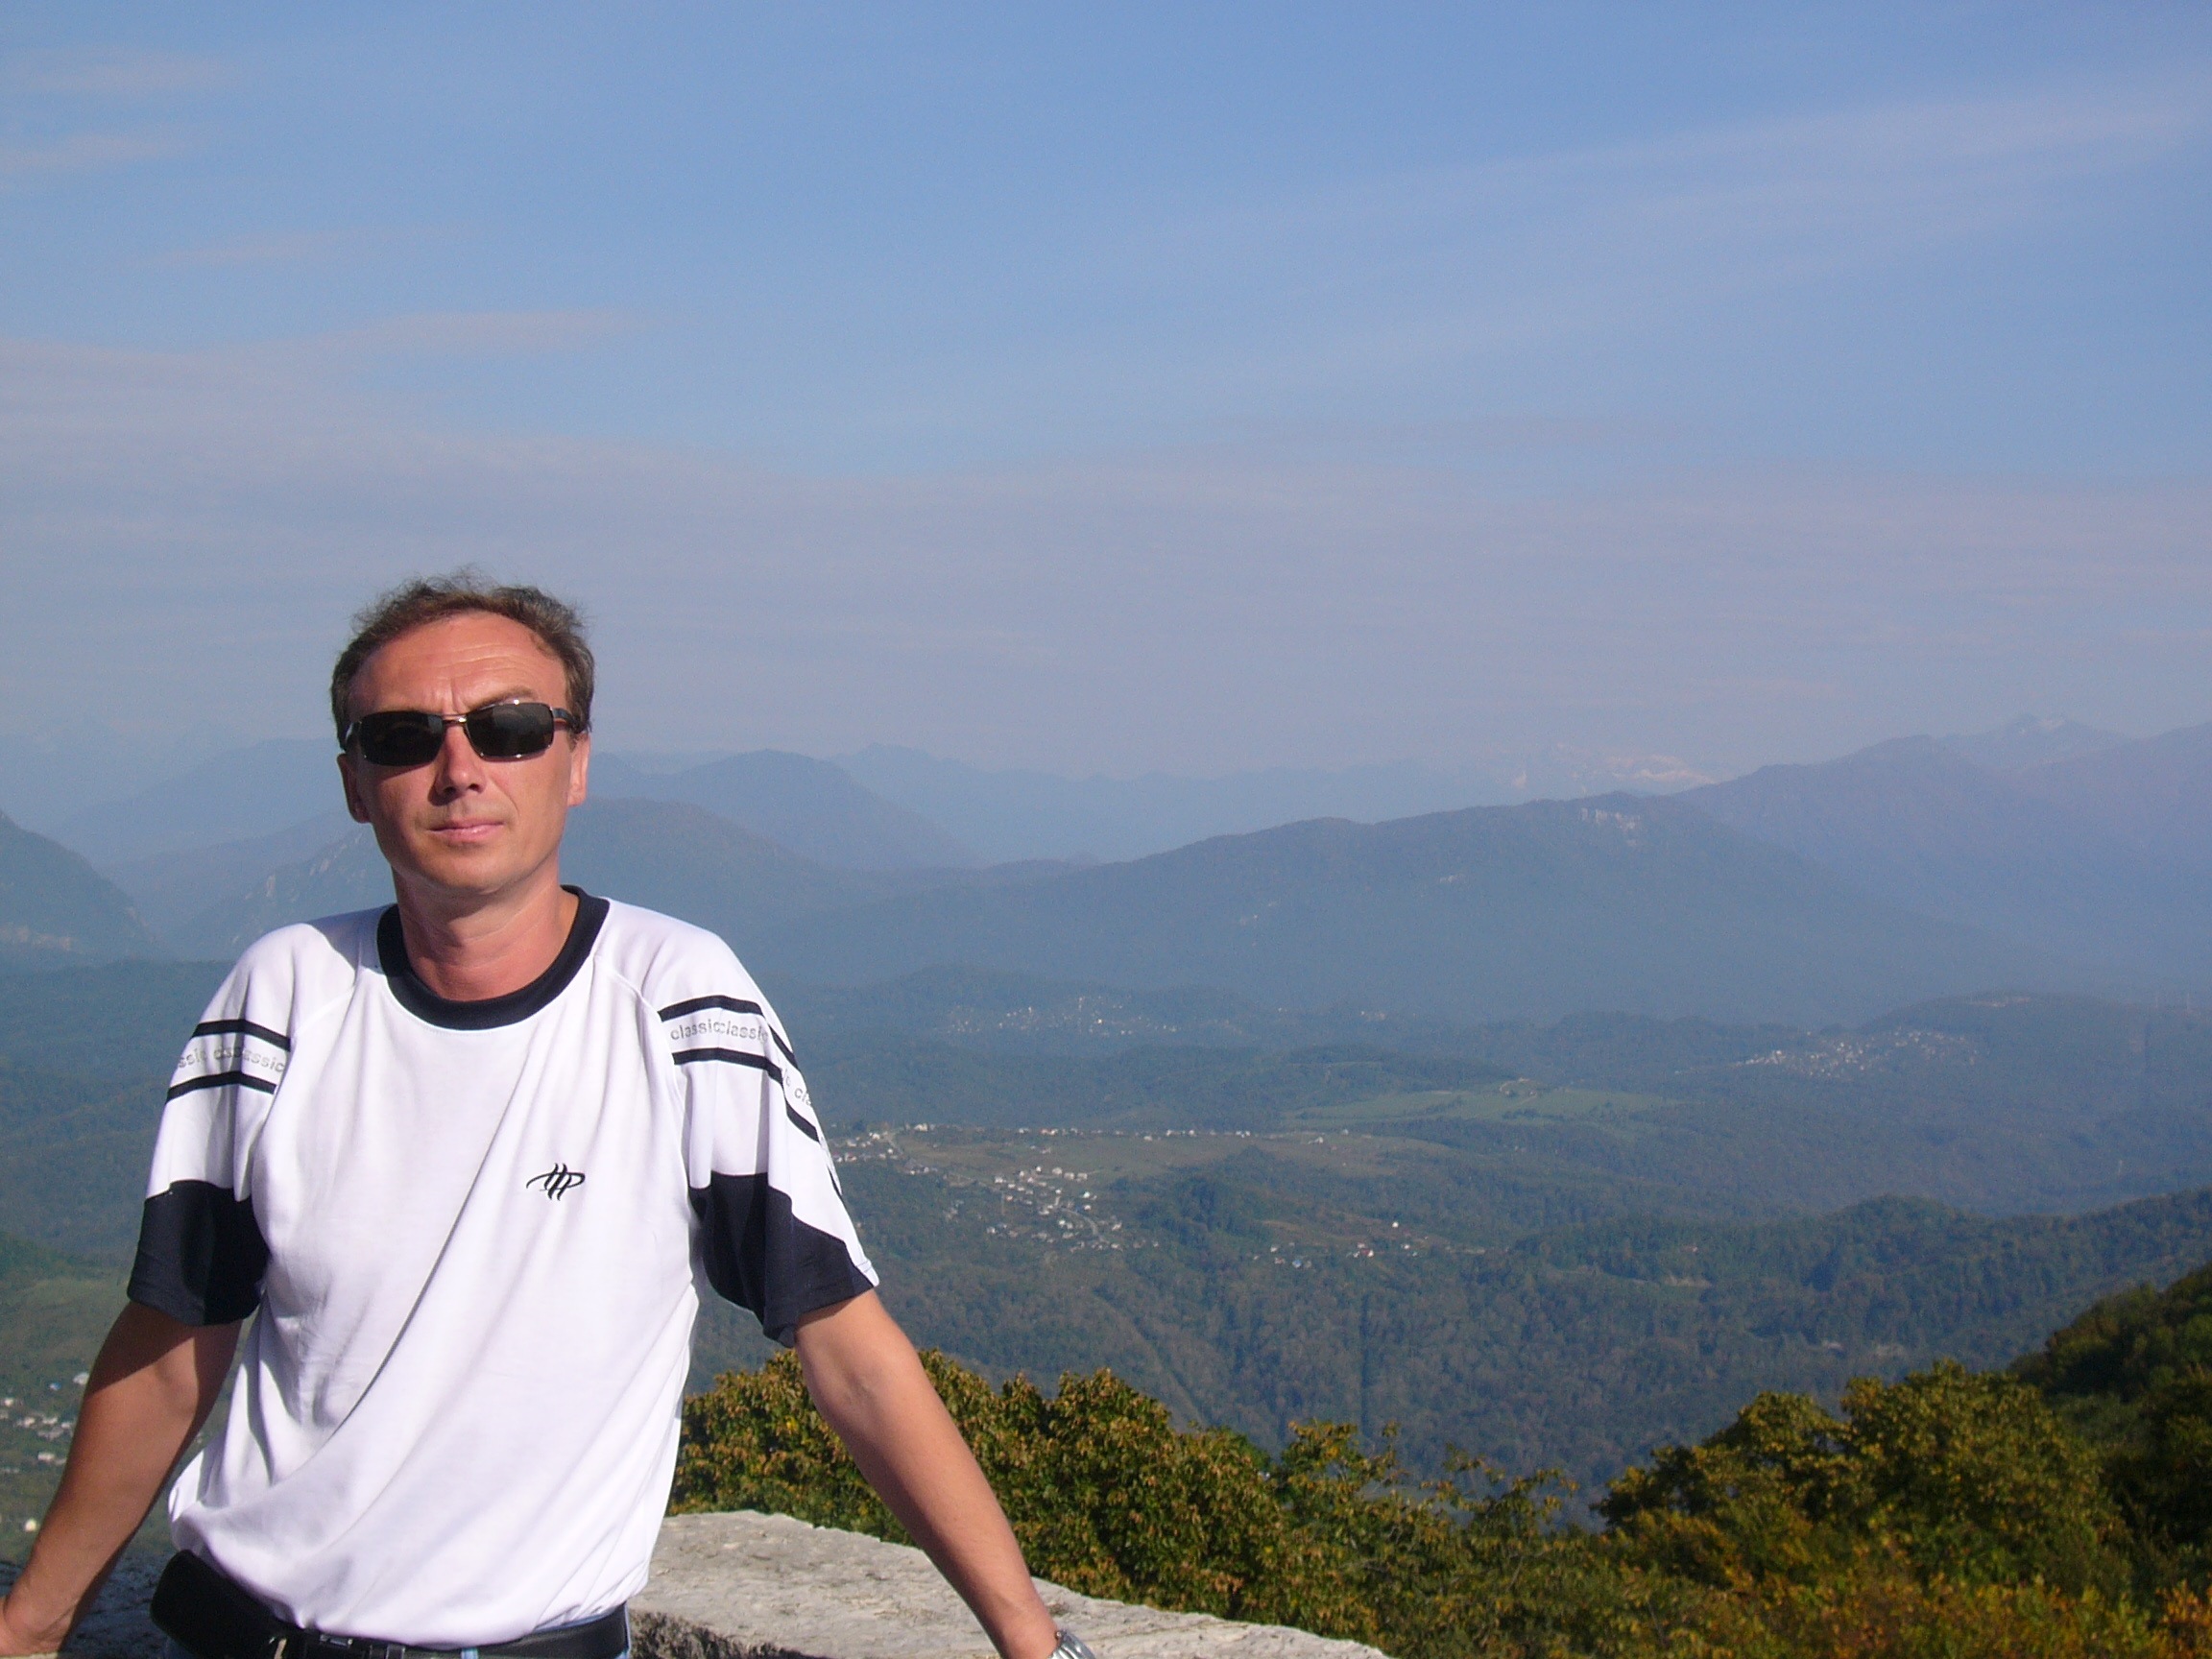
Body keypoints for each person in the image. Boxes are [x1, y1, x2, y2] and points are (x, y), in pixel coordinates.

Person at [0, 578, 1086, 1659]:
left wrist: (1032, 1644)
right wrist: (33, 1627)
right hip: (240, 1634)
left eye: (512, 728)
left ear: (576, 763)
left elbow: (847, 1348)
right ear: (354, 784)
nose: (460, 768)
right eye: (403, 737)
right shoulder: (281, 997)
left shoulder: (681, 1006)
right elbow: (173, 1341)